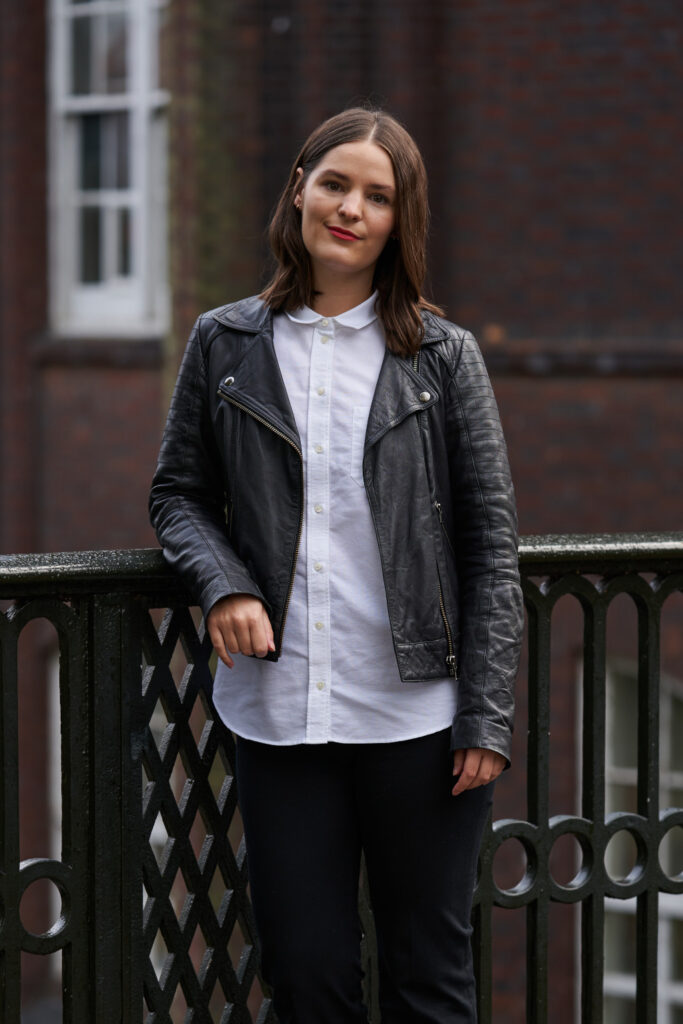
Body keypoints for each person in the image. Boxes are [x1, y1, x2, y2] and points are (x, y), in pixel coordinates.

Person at [149, 107, 524, 1024]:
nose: (351, 208)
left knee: (428, 980)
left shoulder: (443, 357)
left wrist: (485, 711)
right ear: (299, 193)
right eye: (334, 184)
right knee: (308, 976)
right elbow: (177, 495)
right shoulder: (224, 342)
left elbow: (490, 547)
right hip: (282, 718)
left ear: (402, 220)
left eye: (378, 195)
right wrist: (225, 582)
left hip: (420, 718)